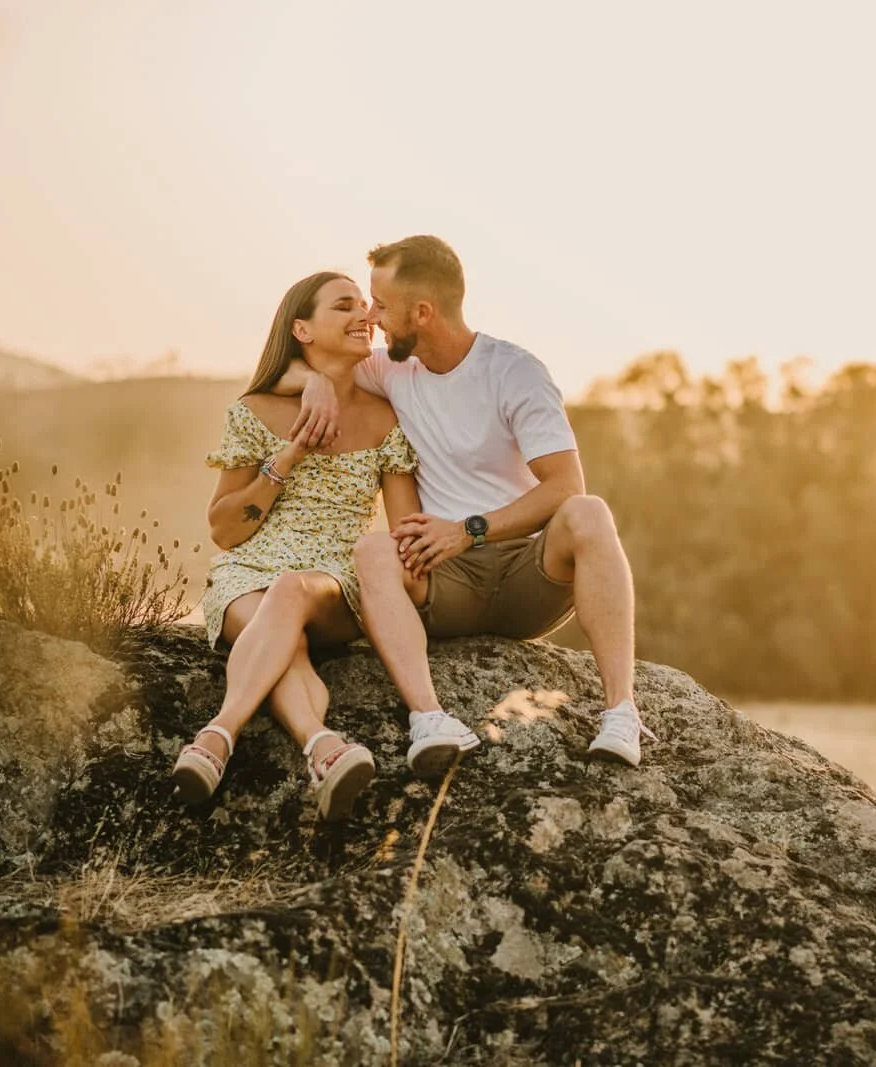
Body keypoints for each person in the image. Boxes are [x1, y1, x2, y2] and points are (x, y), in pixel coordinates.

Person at [280, 236, 654, 775]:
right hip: (445, 582)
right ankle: (429, 719)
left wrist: (467, 529)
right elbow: (296, 360)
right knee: (373, 549)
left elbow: (563, 486)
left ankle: (621, 712)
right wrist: (314, 381)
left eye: (381, 305)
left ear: (423, 313)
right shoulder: (389, 368)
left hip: (529, 571)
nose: (372, 318)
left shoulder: (514, 371)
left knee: (589, 511)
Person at [172, 272, 420, 818]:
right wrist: (288, 456)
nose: (364, 315)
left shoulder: (385, 419)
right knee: (284, 640)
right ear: (302, 329)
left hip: (336, 580)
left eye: (363, 305)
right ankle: (323, 746)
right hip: (247, 572)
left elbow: (406, 532)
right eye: (343, 306)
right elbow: (225, 530)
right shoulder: (254, 411)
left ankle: (217, 734)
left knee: (289, 592)